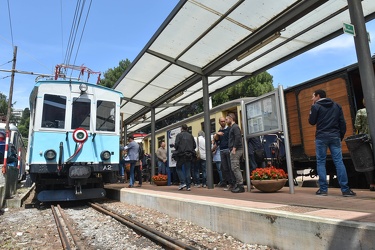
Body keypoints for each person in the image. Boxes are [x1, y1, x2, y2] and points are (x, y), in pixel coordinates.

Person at [308, 89, 356, 197]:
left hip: (321, 137)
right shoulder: (336, 106)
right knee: (339, 162)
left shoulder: (316, 107)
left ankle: (323, 190)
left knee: (321, 162)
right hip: (335, 136)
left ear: (318, 96)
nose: (312, 99)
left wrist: (312, 107)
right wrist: (340, 136)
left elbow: (311, 122)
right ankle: (345, 190)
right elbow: (342, 123)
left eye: (313, 96)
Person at [354, 98, 375, 191]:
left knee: (368, 161)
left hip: (366, 139)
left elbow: (357, 125)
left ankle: (372, 184)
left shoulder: (361, 111)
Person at [214, 117, 236, 191]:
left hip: (228, 149)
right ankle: (230, 184)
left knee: (230, 167)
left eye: (224, 121)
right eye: (221, 121)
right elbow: (217, 141)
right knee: (225, 168)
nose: (223, 122)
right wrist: (217, 134)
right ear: (219, 122)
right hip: (222, 150)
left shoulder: (229, 129)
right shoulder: (219, 131)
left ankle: (233, 184)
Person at [174, 124, 196, 191]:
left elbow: (176, 145)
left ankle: (183, 182)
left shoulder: (179, 135)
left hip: (181, 155)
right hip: (189, 155)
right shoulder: (191, 136)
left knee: (178, 167)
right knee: (187, 170)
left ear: (181, 128)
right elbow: (194, 146)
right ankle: (188, 186)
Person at [227, 112, 245, 193]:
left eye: (227, 119)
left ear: (231, 118)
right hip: (235, 149)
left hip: (236, 150)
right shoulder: (233, 127)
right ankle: (238, 184)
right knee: (234, 167)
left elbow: (238, 137)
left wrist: (234, 148)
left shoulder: (235, 127)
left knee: (235, 167)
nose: (226, 121)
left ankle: (240, 185)